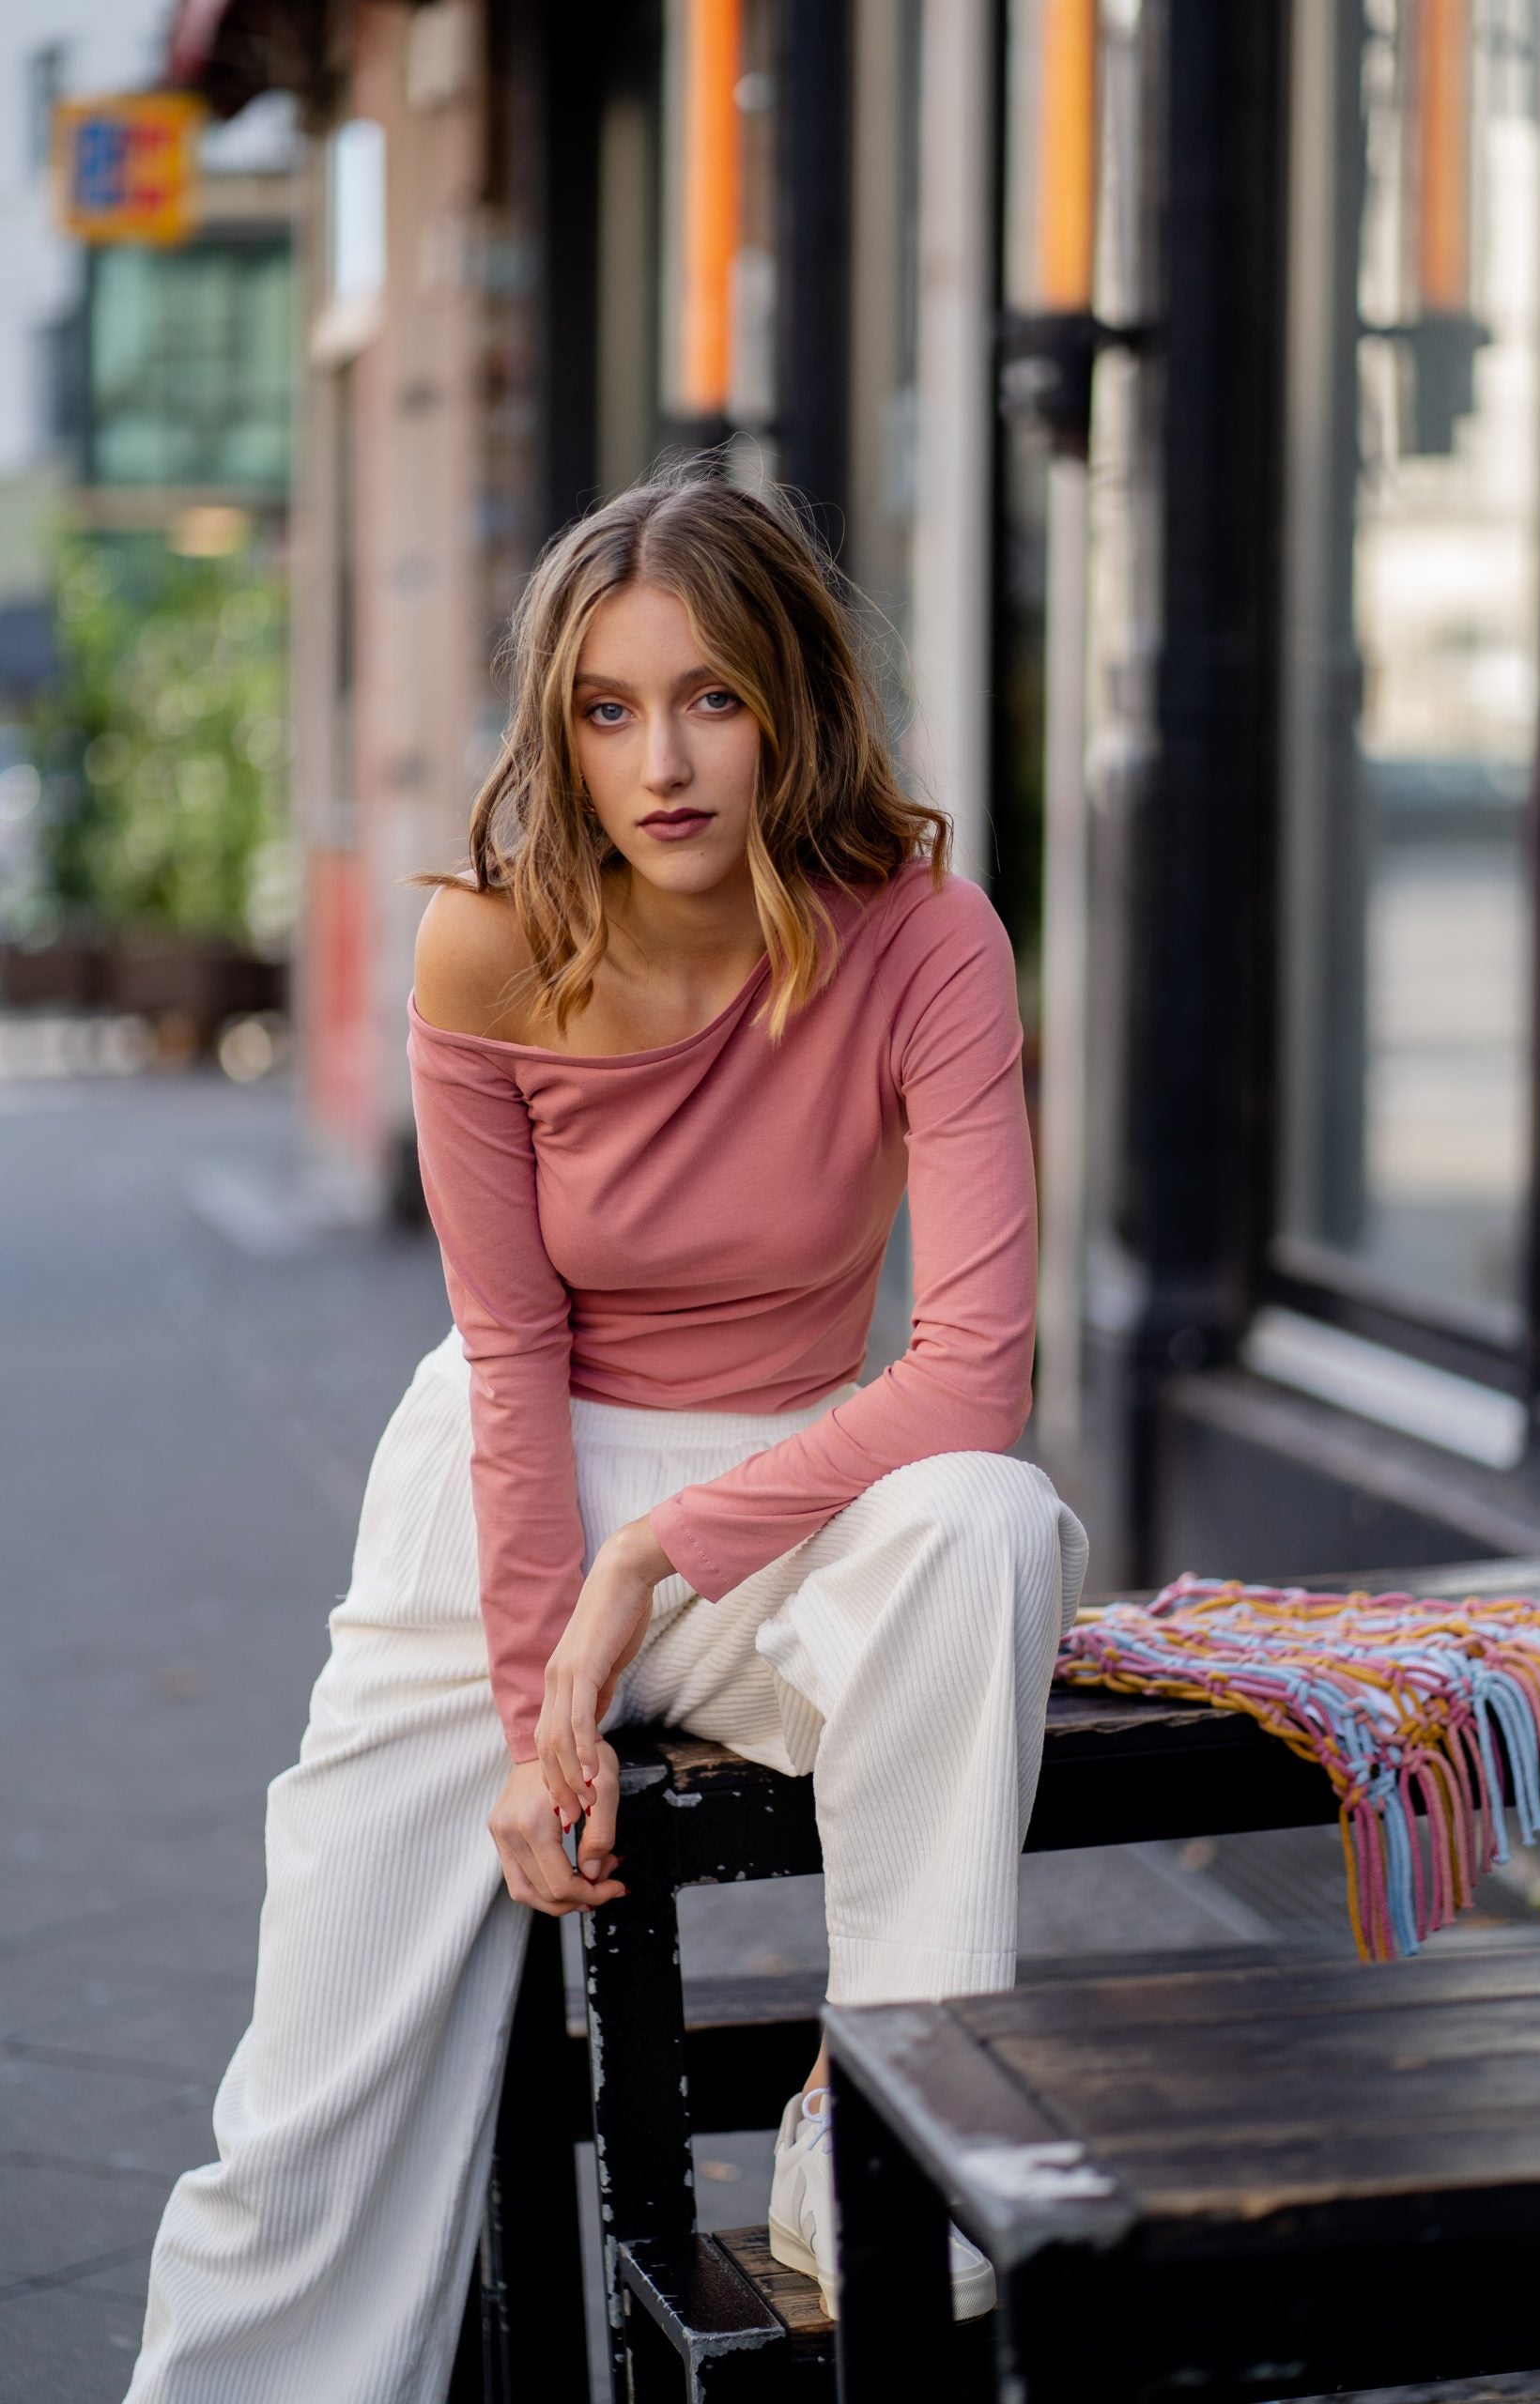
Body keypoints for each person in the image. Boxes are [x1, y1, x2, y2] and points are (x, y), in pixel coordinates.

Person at [124, 461, 1088, 2402]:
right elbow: (509, 1356)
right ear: (557, 730)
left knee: (987, 1519)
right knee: (310, 2107)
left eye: (713, 697)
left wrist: (659, 1556)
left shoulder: (923, 937)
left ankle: (880, 2122)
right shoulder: (487, 947)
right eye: (608, 708)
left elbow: (974, 1371)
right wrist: (530, 1711)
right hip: (511, 1502)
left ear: (789, 703)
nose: (664, 761)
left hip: (788, 1514)